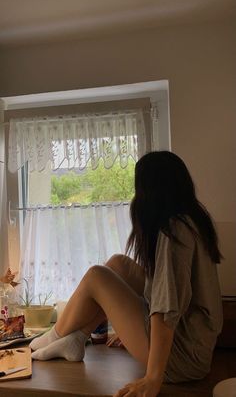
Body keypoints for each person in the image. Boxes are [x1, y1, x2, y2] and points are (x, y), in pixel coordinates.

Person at [30, 151, 223, 397]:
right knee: (117, 264)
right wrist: (130, 328)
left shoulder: (174, 231)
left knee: (96, 276)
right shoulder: (192, 220)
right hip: (194, 345)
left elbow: (166, 309)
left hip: (180, 358)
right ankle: (75, 339)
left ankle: (54, 336)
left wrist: (153, 378)